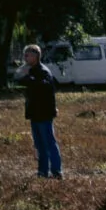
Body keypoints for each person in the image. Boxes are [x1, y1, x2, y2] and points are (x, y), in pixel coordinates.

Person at [20, 45, 63, 178]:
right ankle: (42, 171)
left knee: (49, 142)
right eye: (25, 55)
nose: (25, 58)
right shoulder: (31, 70)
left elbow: (43, 87)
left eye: (28, 55)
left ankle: (56, 171)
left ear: (36, 56)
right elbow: (22, 81)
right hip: (35, 113)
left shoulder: (43, 71)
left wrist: (29, 78)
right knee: (39, 145)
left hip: (44, 113)